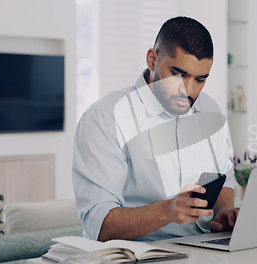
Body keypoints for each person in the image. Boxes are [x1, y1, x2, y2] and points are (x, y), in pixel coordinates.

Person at [72, 16, 238, 242]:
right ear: (152, 60)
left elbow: (224, 180)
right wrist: (168, 211)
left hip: (204, 247)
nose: (189, 92)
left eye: (200, 79)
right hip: (140, 253)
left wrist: (224, 213)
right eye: (179, 75)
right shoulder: (105, 118)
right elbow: (99, 226)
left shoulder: (208, 109)